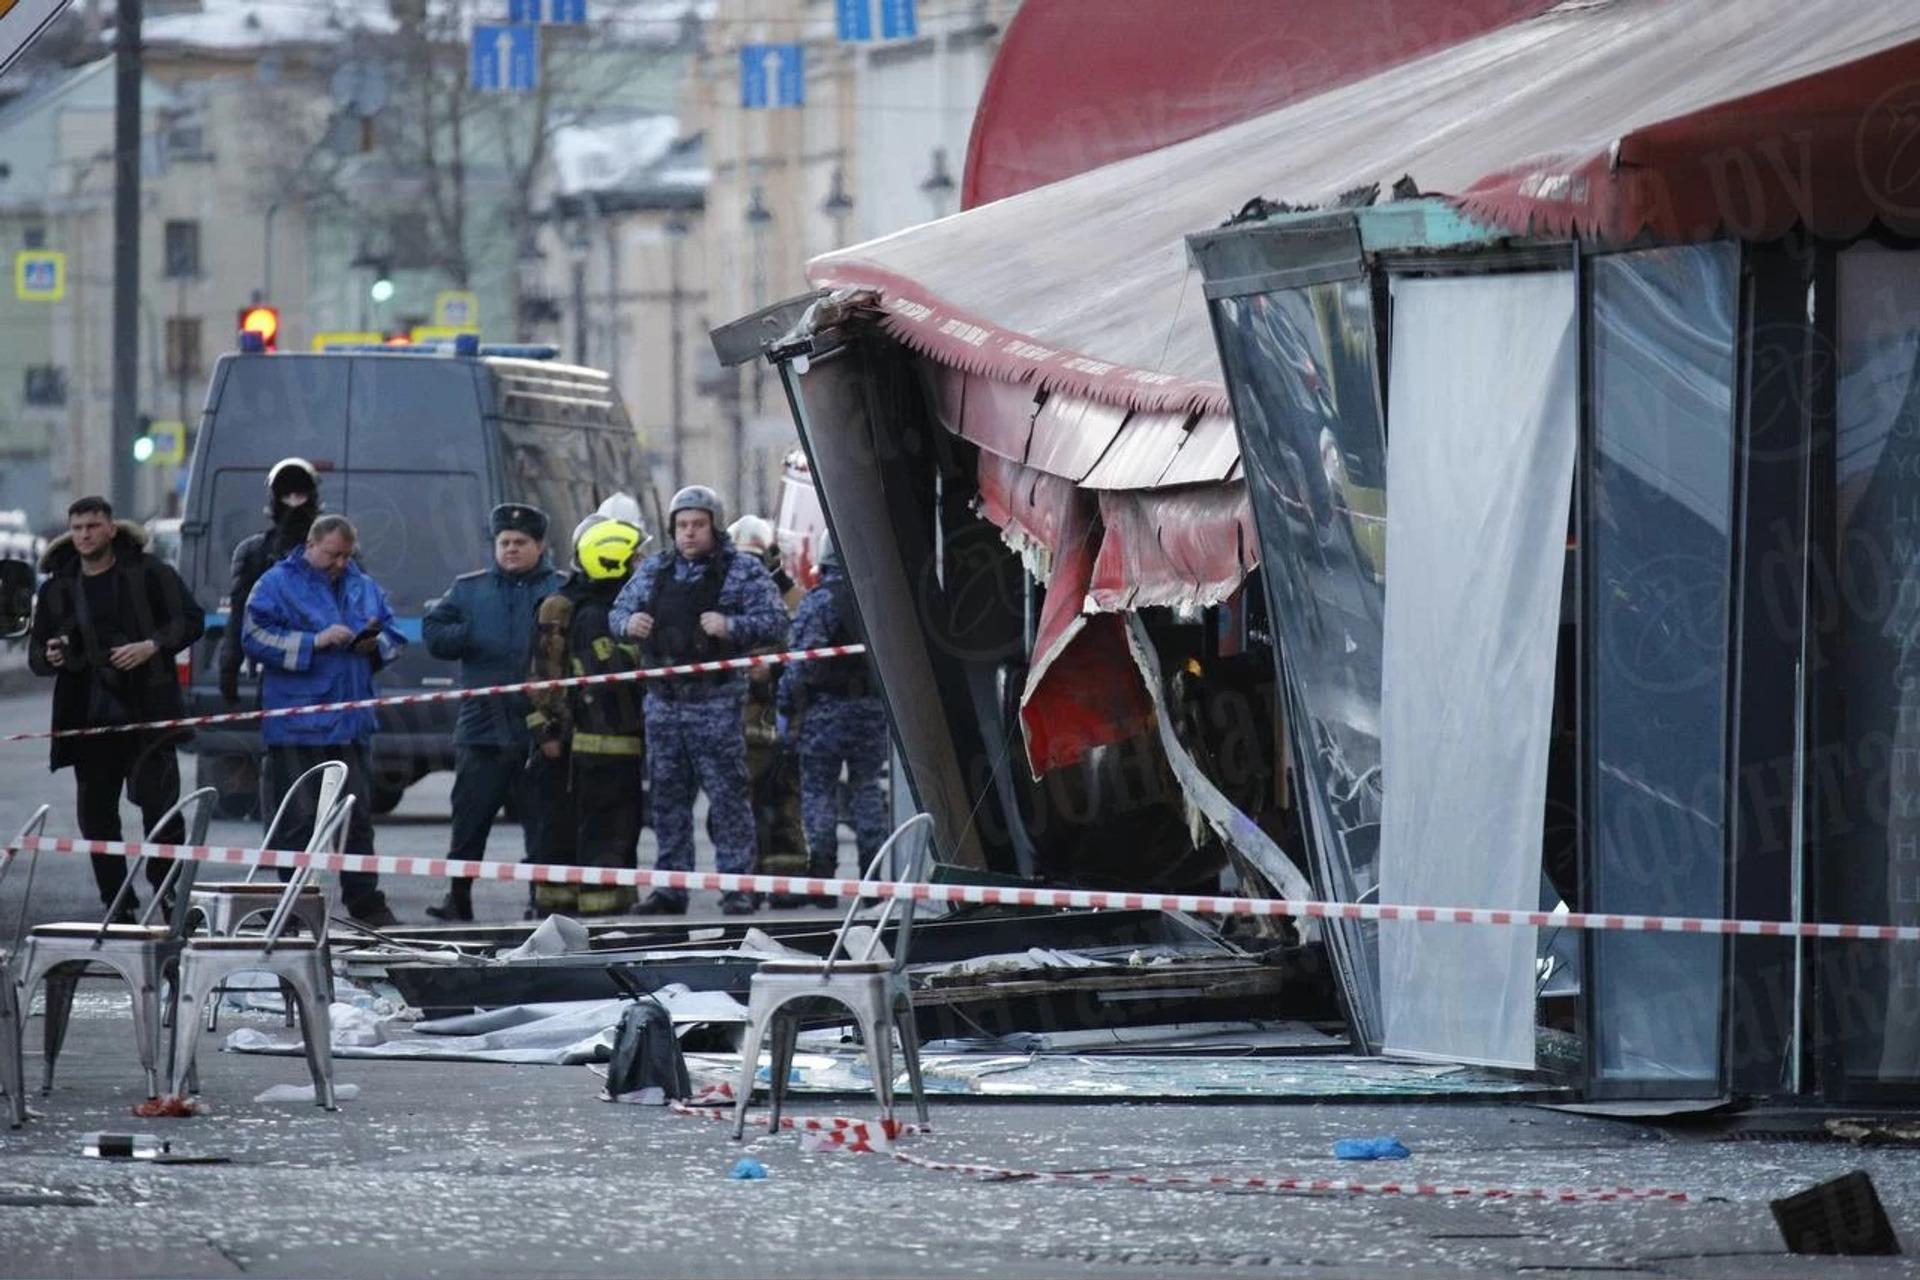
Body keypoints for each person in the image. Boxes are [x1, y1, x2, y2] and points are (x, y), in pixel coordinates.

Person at [611, 486, 789, 916]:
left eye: (698, 525)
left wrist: (730, 626)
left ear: (714, 526)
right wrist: (628, 624)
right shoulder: (655, 570)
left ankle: (736, 886)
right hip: (664, 705)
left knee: (728, 798)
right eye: (682, 526)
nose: (689, 534)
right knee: (667, 800)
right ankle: (671, 887)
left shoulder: (741, 571)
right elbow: (617, 613)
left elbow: (776, 621)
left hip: (716, 702)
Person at [28, 496, 205, 919]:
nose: (85, 534)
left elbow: (191, 620)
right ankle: (118, 904)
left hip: (148, 717)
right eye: (77, 527)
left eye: (93, 525)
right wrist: (51, 655)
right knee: (97, 822)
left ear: (112, 528)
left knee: (163, 816)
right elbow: (37, 654)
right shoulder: (59, 588)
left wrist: (152, 646)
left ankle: (167, 895)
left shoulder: (150, 574)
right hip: (88, 724)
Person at [243, 513, 403, 927]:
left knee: (357, 823)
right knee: (297, 822)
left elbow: (393, 634)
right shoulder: (276, 584)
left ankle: (366, 904)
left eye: (346, 556)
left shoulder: (360, 584)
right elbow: (254, 637)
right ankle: (293, 909)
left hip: (350, 723)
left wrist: (374, 644)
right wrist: (315, 642)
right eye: (332, 555)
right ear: (311, 545)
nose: (339, 564)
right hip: (297, 726)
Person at [420, 503, 565, 922]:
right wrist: (468, 635)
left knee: (542, 821)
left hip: (539, 729)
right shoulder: (470, 590)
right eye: (504, 542)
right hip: (482, 726)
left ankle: (542, 899)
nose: (511, 549)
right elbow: (434, 633)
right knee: (470, 816)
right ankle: (458, 897)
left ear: (539, 545)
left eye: (521, 542)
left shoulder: (559, 589)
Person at [525, 514, 648, 917]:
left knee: (575, 823)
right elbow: (546, 674)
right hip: (599, 740)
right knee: (601, 827)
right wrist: (548, 731)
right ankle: (593, 909)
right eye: (634, 559)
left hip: (587, 740)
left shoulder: (605, 604)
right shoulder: (588, 611)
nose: (639, 566)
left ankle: (565, 907)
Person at [779, 529, 889, 907]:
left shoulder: (818, 602)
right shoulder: (877, 601)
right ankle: (873, 880)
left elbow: (798, 666)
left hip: (824, 711)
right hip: (871, 711)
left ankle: (823, 880)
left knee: (818, 794)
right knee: (867, 791)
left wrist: (784, 710)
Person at [726, 514, 808, 906]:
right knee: (745, 803)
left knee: (786, 800)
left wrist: (773, 665)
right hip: (741, 718)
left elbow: (808, 651)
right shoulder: (724, 596)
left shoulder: (794, 600)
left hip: (784, 713)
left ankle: (787, 881)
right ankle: (749, 881)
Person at [218, 457, 321, 707]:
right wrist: (229, 667)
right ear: (275, 499)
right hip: (277, 664)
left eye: (300, 495)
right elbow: (240, 611)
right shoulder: (255, 552)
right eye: (287, 496)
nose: (294, 503)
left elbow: (357, 604)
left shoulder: (335, 551)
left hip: (324, 662)